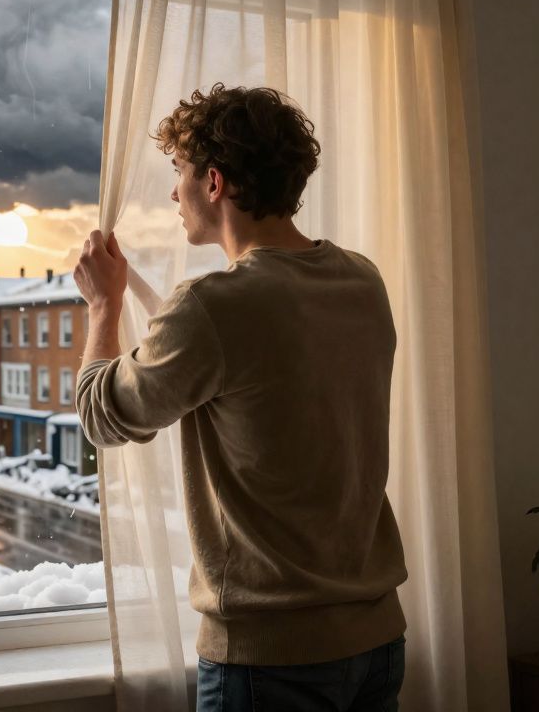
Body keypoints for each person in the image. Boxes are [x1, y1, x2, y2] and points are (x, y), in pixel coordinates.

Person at [73, 84, 408, 712]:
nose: (173, 191)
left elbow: (102, 417)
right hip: (377, 640)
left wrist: (102, 306)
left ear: (215, 182)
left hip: (272, 658)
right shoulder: (362, 280)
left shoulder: (215, 305)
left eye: (179, 171)